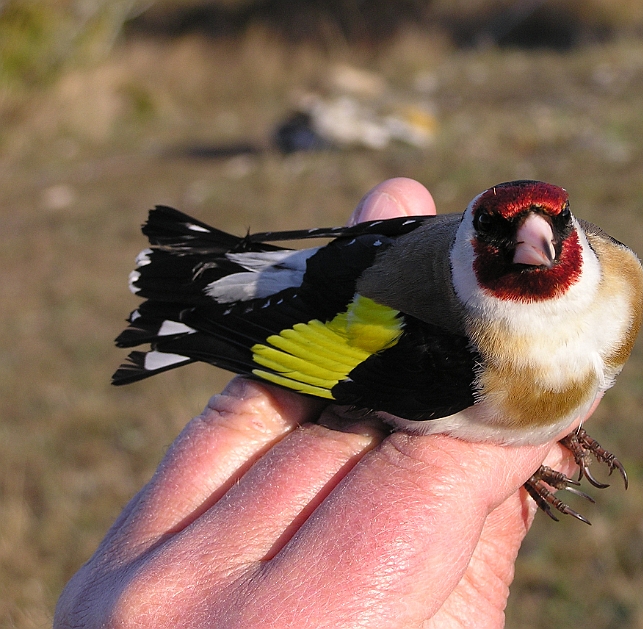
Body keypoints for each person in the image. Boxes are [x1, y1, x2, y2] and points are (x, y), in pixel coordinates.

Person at [55, 178, 587, 629]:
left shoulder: (609, 277)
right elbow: (352, 361)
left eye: (554, 223)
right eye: (501, 229)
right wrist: (216, 330)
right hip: (371, 327)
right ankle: (202, 302)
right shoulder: (453, 353)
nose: (536, 241)